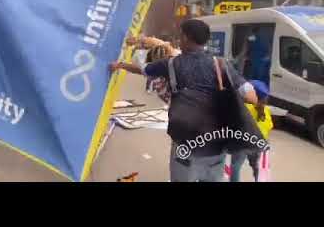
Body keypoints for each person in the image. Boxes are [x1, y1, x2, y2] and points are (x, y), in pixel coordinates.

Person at [110, 19, 257, 182]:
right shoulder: (220, 64)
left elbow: (142, 69)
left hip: (186, 146)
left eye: (181, 36)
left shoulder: (172, 64)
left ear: (186, 38)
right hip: (216, 146)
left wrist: (120, 65)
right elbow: (251, 96)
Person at [230, 80, 273, 182]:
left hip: (244, 143)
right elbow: (269, 127)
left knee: (235, 167)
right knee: (256, 166)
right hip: (260, 143)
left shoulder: (243, 108)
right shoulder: (266, 110)